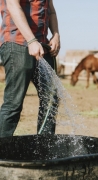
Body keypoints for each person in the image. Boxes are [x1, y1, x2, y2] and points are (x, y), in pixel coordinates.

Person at [0, 0, 60, 137]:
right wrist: (31, 40)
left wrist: (56, 35)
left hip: (43, 45)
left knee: (51, 99)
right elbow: (13, 5)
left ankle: (44, 148)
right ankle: (2, 151)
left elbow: (51, 10)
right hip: (17, 42)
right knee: (14, 103)